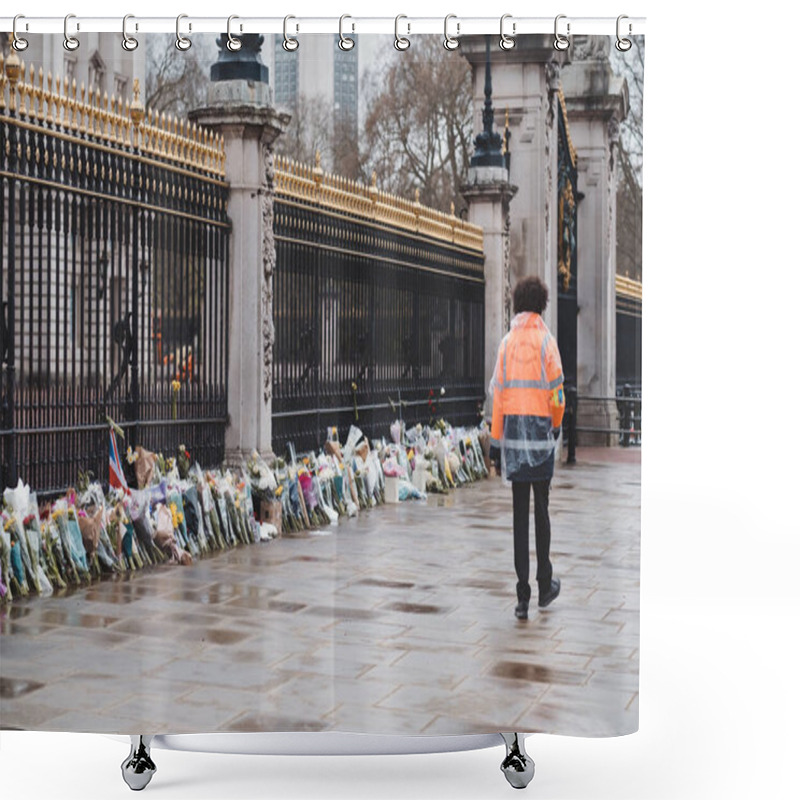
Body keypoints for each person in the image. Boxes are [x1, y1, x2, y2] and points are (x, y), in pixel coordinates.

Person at [490, 276, 565, 620]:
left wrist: (495, 446)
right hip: (539, 440)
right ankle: (545, 582)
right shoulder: (547, 342)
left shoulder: (506, 344)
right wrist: (555, 423)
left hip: (514, 441)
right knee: (542, 511)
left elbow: (498, 399)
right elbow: (558, 394)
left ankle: (522, 596)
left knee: (520, 516)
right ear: (542, 304)